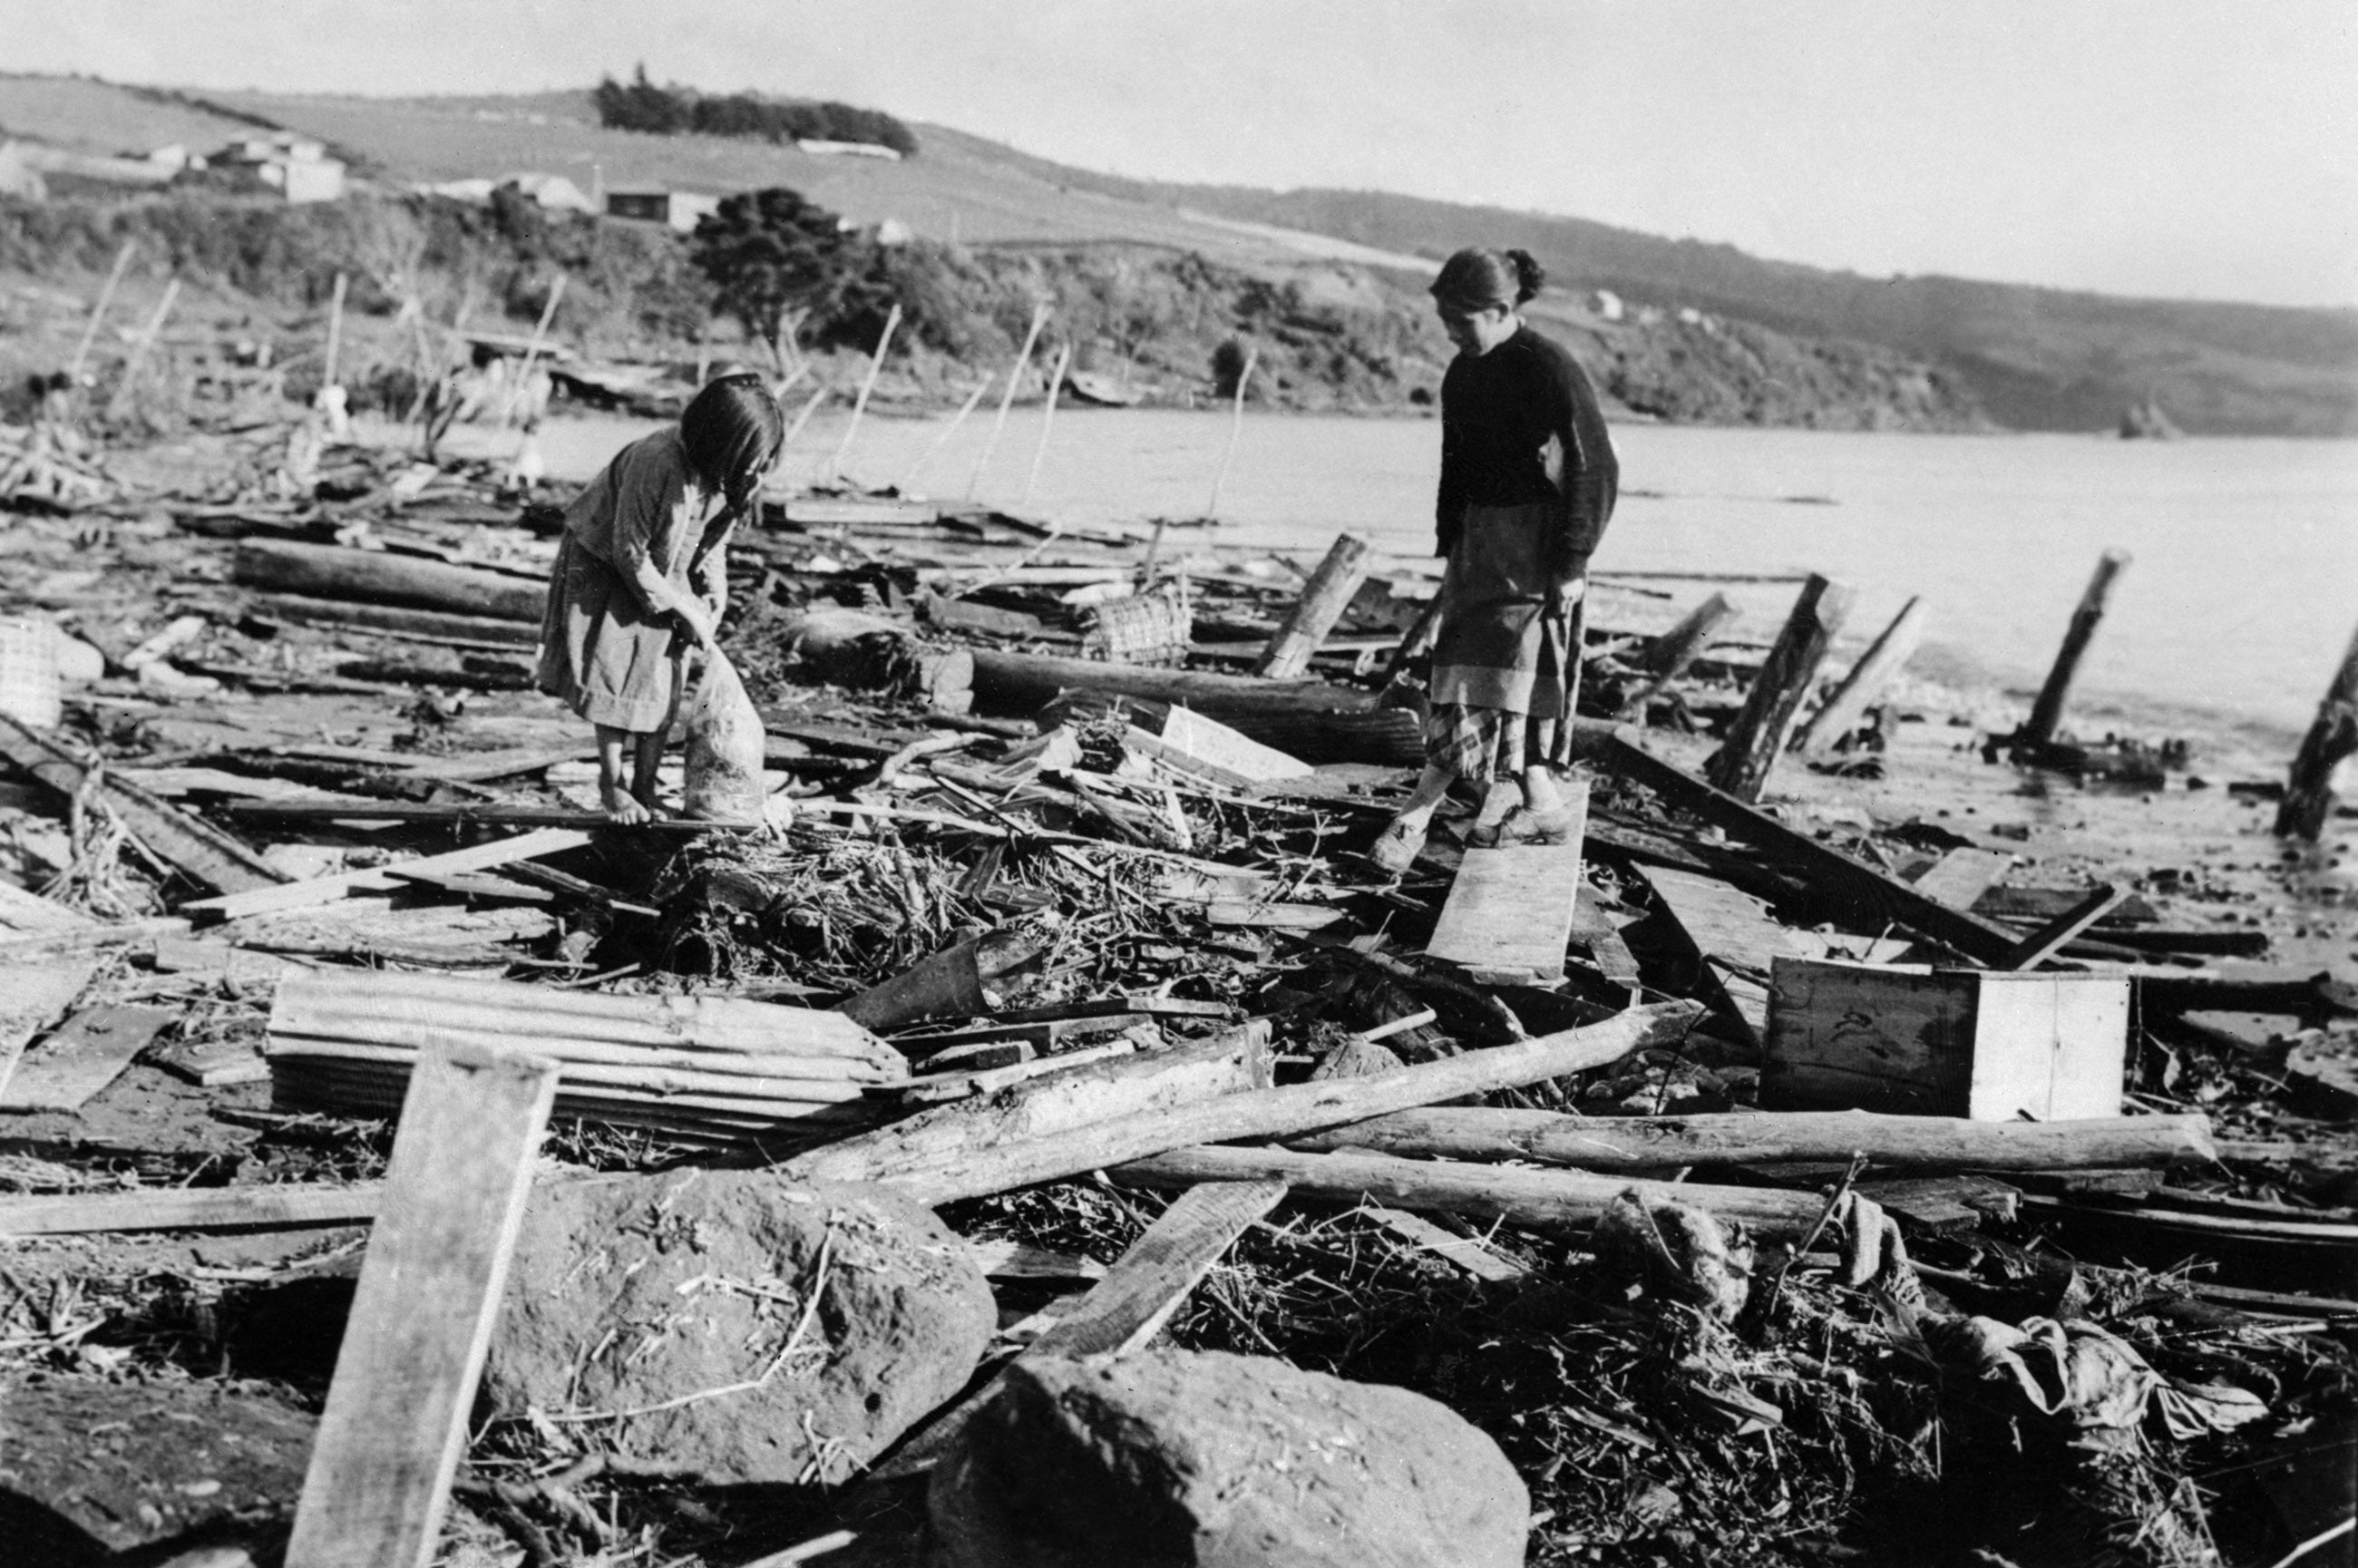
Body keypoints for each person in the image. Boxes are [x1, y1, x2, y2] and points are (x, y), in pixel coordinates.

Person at [1370, 247, 1619, 872]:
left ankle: (1416, 816)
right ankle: (1540, 803)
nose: (1453, 333)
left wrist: (1573, 561)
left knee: (1503, 681)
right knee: (1468, 674)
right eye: (1447, 321)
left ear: (1504, 309)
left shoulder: (1548, 367)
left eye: (1464, 320)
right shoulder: (1463, 373)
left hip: (1535, 551)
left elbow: (1595, 466)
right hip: (1479, 545)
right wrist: (1451, 539)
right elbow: (1455, 464)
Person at [536, 371, 784, 823]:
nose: (755, 469)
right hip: (606, 561)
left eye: (761, 460)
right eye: (748, 457)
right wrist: (680, 606)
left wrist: (711, 598)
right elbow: (628, 553)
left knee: (668, 671)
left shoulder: (739, 475)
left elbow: (714, 544)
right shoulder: (658, 460)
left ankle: (645, 787)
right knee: (617, 670)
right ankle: (612, 786)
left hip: (669, 565)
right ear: (718, 441)